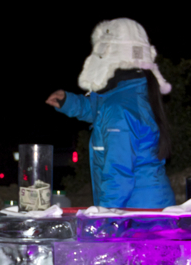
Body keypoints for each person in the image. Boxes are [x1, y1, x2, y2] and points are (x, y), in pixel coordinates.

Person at [46, 18, 175, 209]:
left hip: (137, 214)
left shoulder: (119, 107)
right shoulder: (135, 91)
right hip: (149, 204)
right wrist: (69, 102)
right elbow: (102, 113)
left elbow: (118, 174)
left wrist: (103, 218)